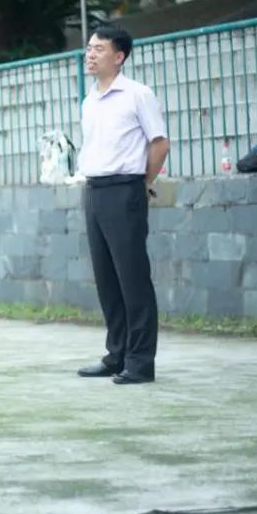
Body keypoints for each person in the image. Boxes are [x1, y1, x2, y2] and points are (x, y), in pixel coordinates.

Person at [75, 26, 169, 385]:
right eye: (89, 48)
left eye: (99, 49)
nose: (90, 54)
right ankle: (116, 355)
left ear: (119, 56)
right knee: (107, 279)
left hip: (125, 189)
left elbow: (159, 143)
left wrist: (142, 183)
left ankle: (140, 362)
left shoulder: (137, 94)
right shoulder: (90, 100)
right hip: (95, 190)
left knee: (132, 278)